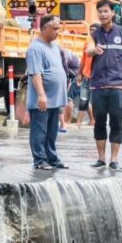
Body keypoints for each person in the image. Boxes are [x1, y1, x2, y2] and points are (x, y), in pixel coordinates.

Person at [86, 0, 122, 171]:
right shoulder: (94, 34)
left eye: (106, 11)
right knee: (99, 122)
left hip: (118, 86)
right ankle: (101, 159)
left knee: (116, 122)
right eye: (100, 12)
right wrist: (94, 51)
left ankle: (114, 160)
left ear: (113, 13)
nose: (102, 15)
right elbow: (88, 50)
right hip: (98, 85)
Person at [26, 15, 69, 171]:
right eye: (55, 29)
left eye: (59, 28)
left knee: (51, 132)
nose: (58, 32)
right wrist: (41, 95)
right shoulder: (35, 48)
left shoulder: (54, 46)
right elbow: (35, 73)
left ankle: (52, 158)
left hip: (55, 99)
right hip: (42, 99)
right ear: (44, 29)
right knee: (40, 131)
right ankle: (39, 160)